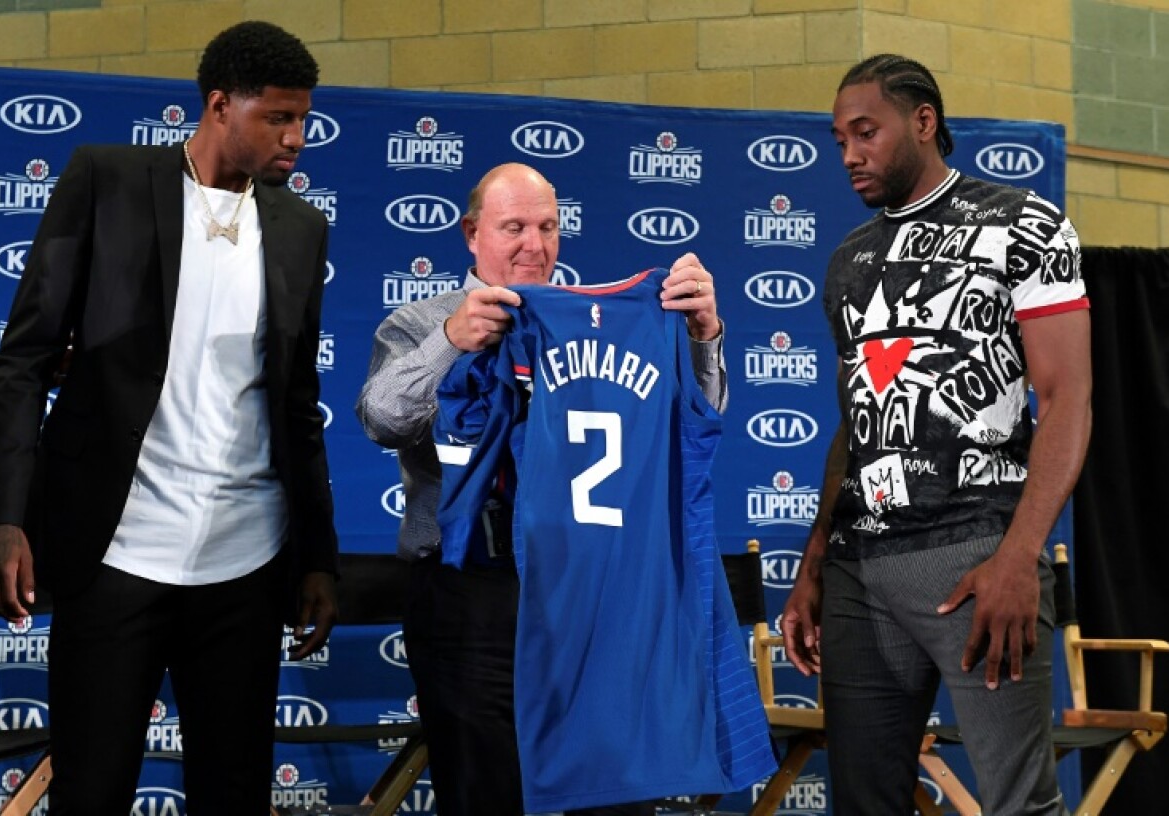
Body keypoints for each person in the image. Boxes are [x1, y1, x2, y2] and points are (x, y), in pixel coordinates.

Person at [0, 21, 339, 814]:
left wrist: (319, 558)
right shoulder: (105, 179)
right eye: (277, 117)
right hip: (116, 555)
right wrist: (1, 519)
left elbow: (298, 405)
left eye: (302, 118)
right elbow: (27, 359)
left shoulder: (302, 231)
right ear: (218, 105)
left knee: (233, 795)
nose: (297, 137)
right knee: (92, 791)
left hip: (246, 563)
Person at [357, 162, 726, 816]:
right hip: (473, 590)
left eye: (548, 226)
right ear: (472, 233)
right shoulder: (419, 322)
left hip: (591, 588)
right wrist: (450, 341)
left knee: (615, 793)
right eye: (514, 227)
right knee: (483, 790)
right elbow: (383, 419)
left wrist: (702, 340)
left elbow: (682, 428)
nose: (536, 244)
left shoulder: (603, 317)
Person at [780, 54, 1091, 815]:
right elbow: (855, 423)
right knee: (864, 802)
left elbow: (1068, 397)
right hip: (860, 571)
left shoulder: (1024, 225)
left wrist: (1019, 557)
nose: (850, 153)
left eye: (866, 133)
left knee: (1019, 801)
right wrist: (815, 562)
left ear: (923, 122)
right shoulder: (847, 261)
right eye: (839, 139)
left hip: (975, 560)